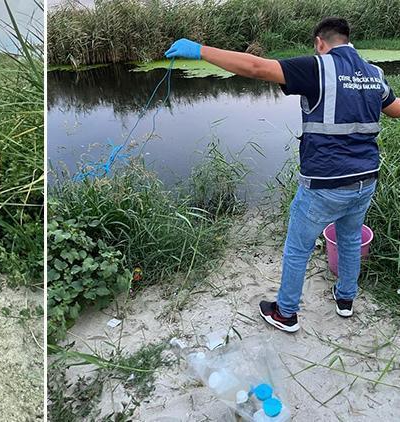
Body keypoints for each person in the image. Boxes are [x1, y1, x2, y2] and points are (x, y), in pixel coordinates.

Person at [165, 17, 400, 333]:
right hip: (366, 179)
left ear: (320, 42)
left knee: (298, 247)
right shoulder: (374, 74)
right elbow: (395, 109)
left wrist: (201, 50)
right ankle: (346, 300)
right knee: (348, 238)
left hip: (325, 184)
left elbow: (257, 68)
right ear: (349, 40)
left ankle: (286, 313)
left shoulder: (318, 67)